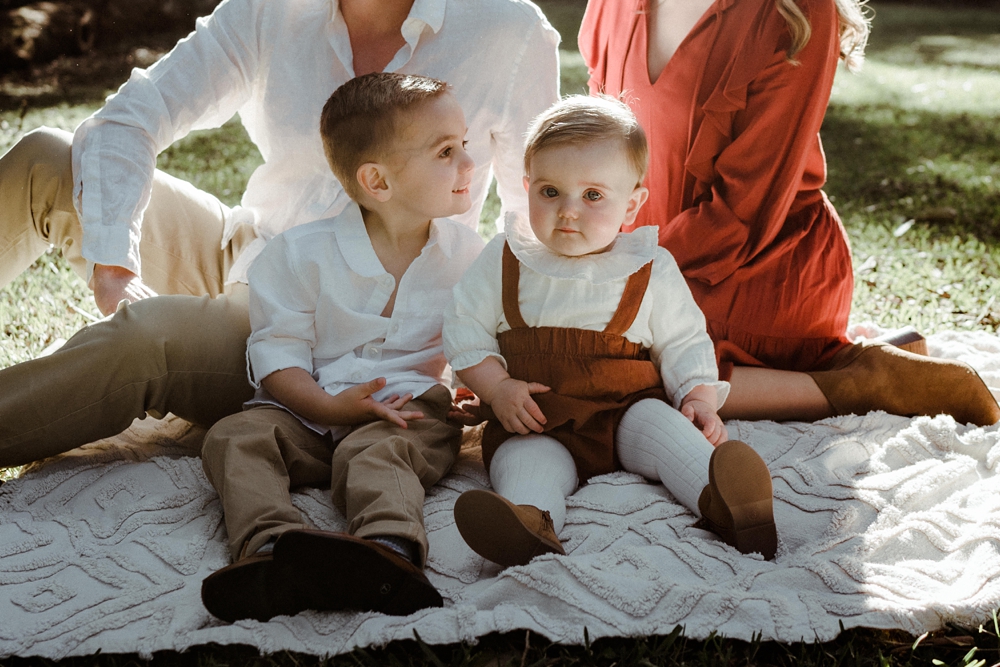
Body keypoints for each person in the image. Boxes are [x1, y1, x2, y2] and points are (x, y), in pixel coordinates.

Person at [0, 0, 558, 467]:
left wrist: (492, 366)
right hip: (251, 250)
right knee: (48, 156)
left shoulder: (507, 30)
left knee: (147, 339)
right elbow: (132, 115)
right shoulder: (271, 7)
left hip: (326, 332)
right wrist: (115, 260)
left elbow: (535, 215)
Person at [578, 0, 1000, 425]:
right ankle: (835, 363)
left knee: (606, 373)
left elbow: (746, 210)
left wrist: (624, 274)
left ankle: (867, 381)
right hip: (648, 254)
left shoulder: (796, 12)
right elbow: (597, 150)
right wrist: (595, 253)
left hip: (758, 265)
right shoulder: (613, 5)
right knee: (559, 346)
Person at [444, 95, 778, 568]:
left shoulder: (648, 266)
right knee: (526, 463)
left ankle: (727, 501)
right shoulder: (505, 258)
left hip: (626, 413)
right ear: (526, 188)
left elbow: (683, 340)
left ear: (631, 204)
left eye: (593, 195)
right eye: (550, 192)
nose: (568, 211)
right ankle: (528, 522)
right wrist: (497, 390)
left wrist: (698, 400)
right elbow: (465, 327)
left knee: (669, 433)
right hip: (539, 417)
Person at [199, 73, 485, 623]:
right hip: (307, 410)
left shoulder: (468, 257)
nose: (470, 164)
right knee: (235, 436)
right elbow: (278, 353)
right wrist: (328, 409)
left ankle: (389, 552)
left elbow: (482, 340)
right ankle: (269, 551)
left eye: (465, 144)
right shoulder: (297, 255)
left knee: (376, 453)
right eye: (447, 151)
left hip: (406, 413)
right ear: (377, 180)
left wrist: (486, 391)